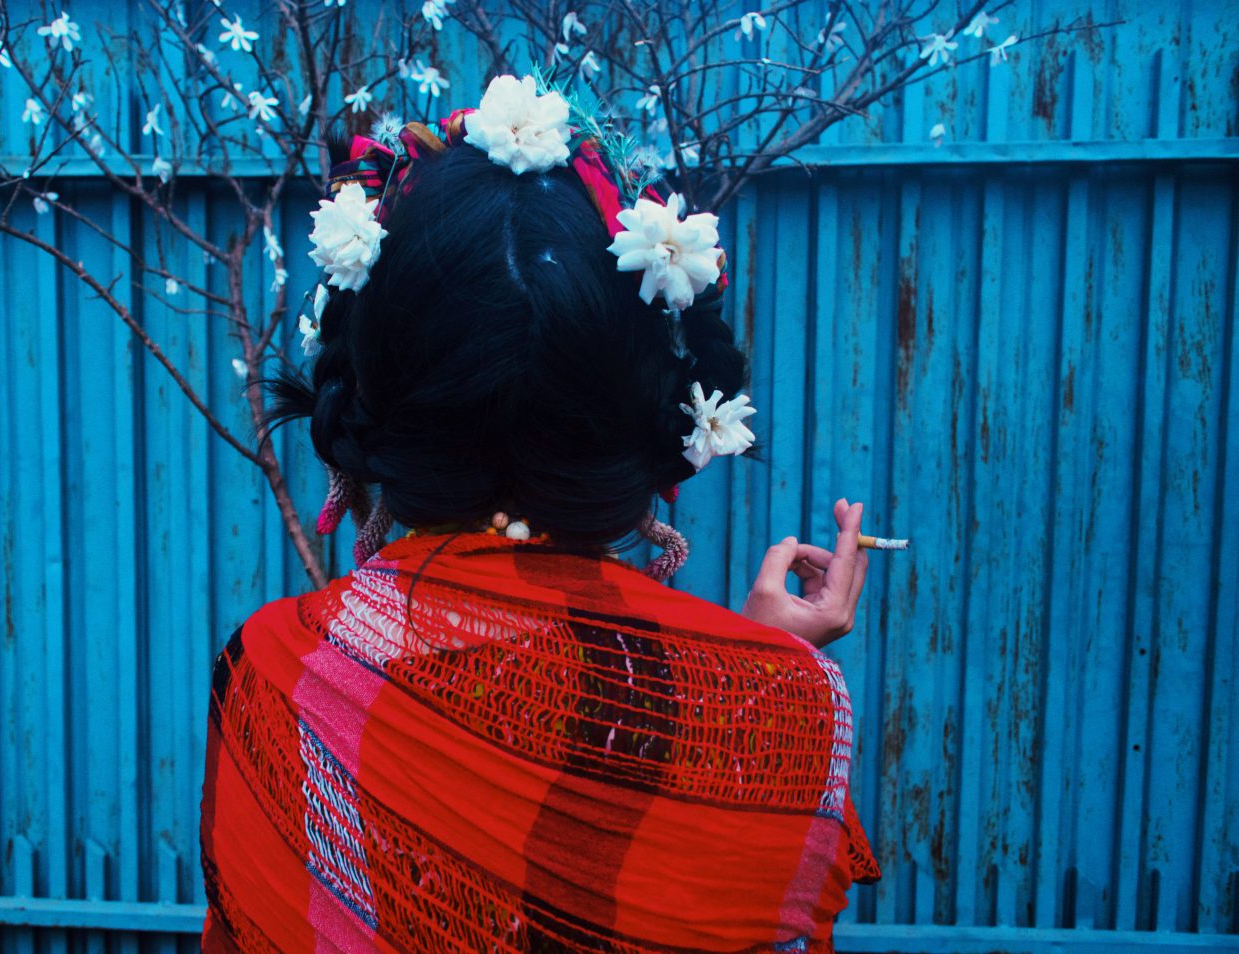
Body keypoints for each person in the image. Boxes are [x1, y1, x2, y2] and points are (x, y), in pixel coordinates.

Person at [200, 75, 879, 953]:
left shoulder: (274, 677)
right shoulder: (792, 708)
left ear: (375, 388)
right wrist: (753, 682)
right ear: (655, 410)